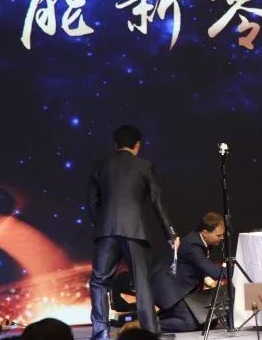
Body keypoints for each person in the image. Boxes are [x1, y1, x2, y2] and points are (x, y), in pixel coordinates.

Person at [87, 124, 179, 340]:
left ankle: (100, 333)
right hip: (135, 231)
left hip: (106, 232)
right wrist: (171, 233)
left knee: (99, 281)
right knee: (142, 282)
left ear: (115, 145)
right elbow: (157, 201)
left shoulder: (100, 166)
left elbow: (91, 202)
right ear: (138, 145)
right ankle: (151, 334)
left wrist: (101, 224)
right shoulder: (144, 166)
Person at [151, 211, 225, 333]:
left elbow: (198, 266)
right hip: (170, 292)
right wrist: (234, 269)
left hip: (183, 290)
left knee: (209, 320)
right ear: (205, 233)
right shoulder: (192, 246)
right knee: (191, 323)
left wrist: (209, 281)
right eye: (218, 235)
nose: (222, 238)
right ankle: (147, 325)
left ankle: (157, 317)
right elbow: (216, 273)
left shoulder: (200, 240)